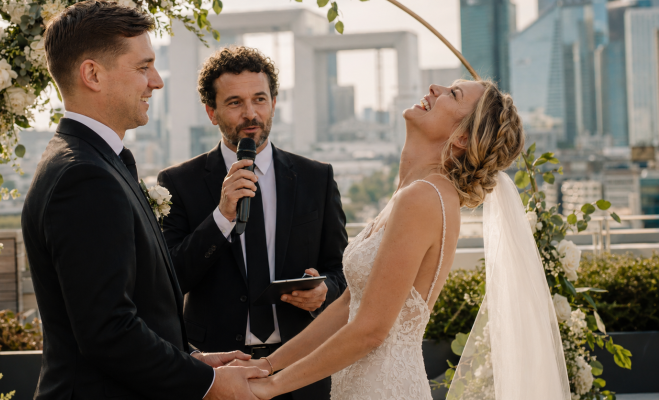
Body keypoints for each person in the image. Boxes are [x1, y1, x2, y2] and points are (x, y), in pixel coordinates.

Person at [234, 80, 572, 399]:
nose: (434, 89)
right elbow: (349, 305)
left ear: (463, 138)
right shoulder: (411, 193)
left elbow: (371, 330)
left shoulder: (424, 198)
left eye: (452, 94)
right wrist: (265, 366)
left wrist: (270, 387)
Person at [21, 1, 267, 400]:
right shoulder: (84, 177)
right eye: (142, 67)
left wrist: (193, 361)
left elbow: (137, 307)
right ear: (92, 74)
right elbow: (108, 331)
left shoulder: (97, 161)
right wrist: (208, 384)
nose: (156, 81)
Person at [157, 46, 348, 400]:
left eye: (260, 99)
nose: (251, 113)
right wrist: (221, 217)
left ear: (274, 102)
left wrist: (325, 292)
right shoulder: (178, 183)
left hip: (301, 365)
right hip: (217, 370)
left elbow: (341, 270)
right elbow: (169, 279)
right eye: (234, 103)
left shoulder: (315, 178)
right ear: (211, 112)